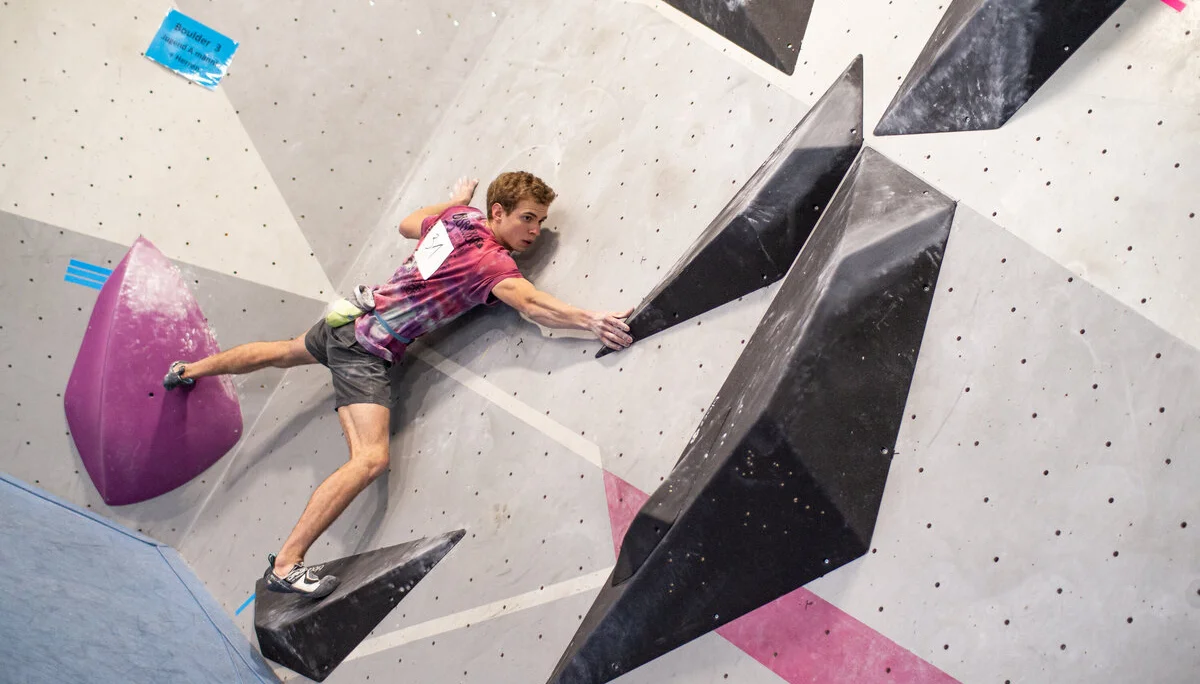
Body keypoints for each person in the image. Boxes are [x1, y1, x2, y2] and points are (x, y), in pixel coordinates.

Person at [163, 172, 633, 598]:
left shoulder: (458, 220)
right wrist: (591, 319)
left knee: (285, 351)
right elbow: (533, 305)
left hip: (348, 320)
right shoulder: (489, 265)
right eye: (527, 219)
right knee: (369, 459)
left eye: (541, 221)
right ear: (498, 213)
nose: (534, 230)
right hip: (365, 349)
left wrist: (452, 200)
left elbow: (409, 224)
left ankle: (187, 370)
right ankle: (286, 565)